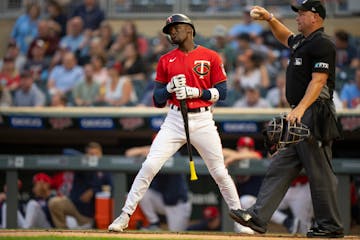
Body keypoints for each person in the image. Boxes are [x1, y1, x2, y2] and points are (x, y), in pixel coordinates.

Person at [108, 13, 243, 232]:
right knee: (150, 165)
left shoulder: (211, 56)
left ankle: (240, 220)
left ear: (189, 29)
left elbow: (223, 92)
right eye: (169, 30)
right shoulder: (165, 60)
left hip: (203, 118)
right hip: (174, 120)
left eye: (175, 28)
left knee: (219, 171)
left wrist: (195, 91)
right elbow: (157, 99)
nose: (171, 32)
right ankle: (125, 215)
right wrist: (169, 88)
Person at [229, 1, 344, 238]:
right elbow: (286, 37)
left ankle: (330, 225)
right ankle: (259, 217)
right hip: (300, 113)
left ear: (315, 17)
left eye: (302, 13)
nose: (298, 17)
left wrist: (300, 109)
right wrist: (270, 18)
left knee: (319, 171)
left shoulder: (323, 43)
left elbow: (319, 81)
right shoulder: (303, 41)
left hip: (314, 112)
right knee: (280, 167)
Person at [125, 143, 192, 231]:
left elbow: (168, 156)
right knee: (143, 193)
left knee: (175, 235)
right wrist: (145, 149)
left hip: (178, 205)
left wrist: (152, 153)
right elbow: (128, 153)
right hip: (162, 201)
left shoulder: (174, 154)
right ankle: (154, 223)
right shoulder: (153, 153)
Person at [49, 142, 113, 229]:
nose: (94, 157)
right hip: (74, 205)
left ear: (101, 154)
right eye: (91, 154)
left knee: (84, 229)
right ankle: (62, 231)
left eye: (96, 154)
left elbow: (112, 188)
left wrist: (93, 191)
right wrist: (85, 158)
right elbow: (67, 152)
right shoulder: (82, 164)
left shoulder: (106, 171)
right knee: (54, 203)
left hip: (89, 214)